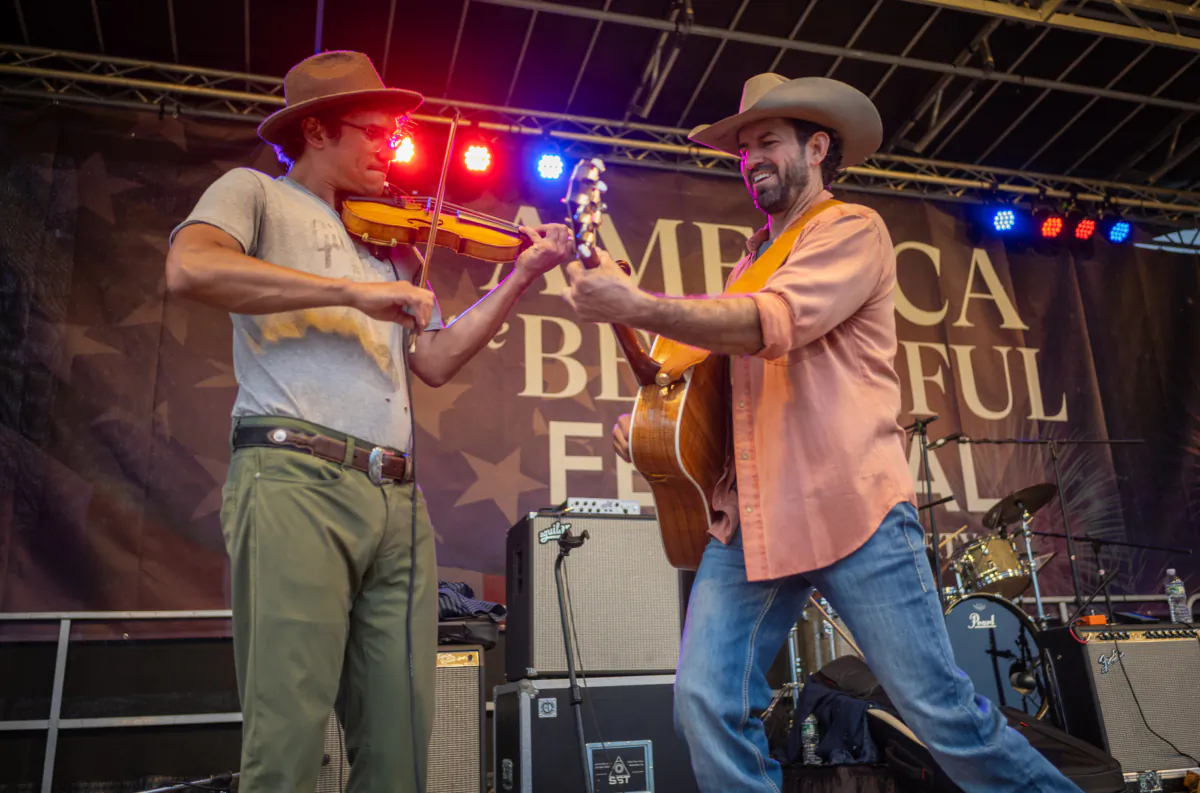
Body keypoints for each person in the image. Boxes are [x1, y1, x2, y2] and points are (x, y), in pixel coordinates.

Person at [560, 73, 1082, 793]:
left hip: (852, 510)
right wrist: (653, 424)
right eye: (743, 149)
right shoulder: (752, 260)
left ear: (817, 146)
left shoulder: (848, 228)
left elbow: (767, 326)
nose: (751, 158)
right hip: (753, 524)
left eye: (766, 141)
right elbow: (705, 387)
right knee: (705, 702)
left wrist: (640, 304)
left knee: (942, 713)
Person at [165, 50, 571, 793]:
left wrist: (519, 276)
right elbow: (190, 268)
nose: (393, 147)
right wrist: (350, 293)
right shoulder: (254, 191)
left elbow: (438, 359)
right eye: (376, 132)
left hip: (397, 502)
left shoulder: (394, 245)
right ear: (317, 130)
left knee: (401, 750)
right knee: (286, 742)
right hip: (294, 477)